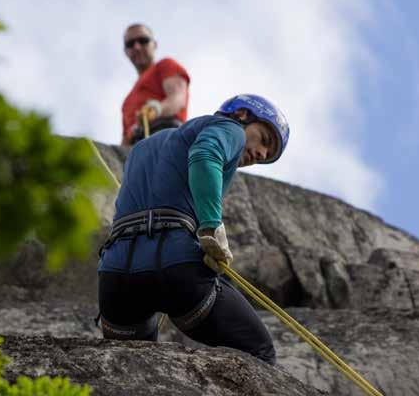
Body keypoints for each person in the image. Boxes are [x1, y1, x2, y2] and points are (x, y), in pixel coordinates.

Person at [97, 94, 290, 365]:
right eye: (265, 140)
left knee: (130, 365)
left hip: (115, 277)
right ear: (244, 115)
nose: (260, 154)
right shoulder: (231, 128)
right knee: (260, 352)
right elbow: (206, 153)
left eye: (266, 157)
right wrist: (211, 225)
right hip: (175, 267)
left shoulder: (141, 149)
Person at [121, 23, 190, 146]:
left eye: (143, 41)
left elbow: (178, 99)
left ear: (154, 45)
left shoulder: (165, 65)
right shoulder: (126, 103)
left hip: (165, 136)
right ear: (126, 51)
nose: (137, 47)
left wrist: (156, 109)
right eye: (130, 44)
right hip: (134, 150)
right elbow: (125, 139)